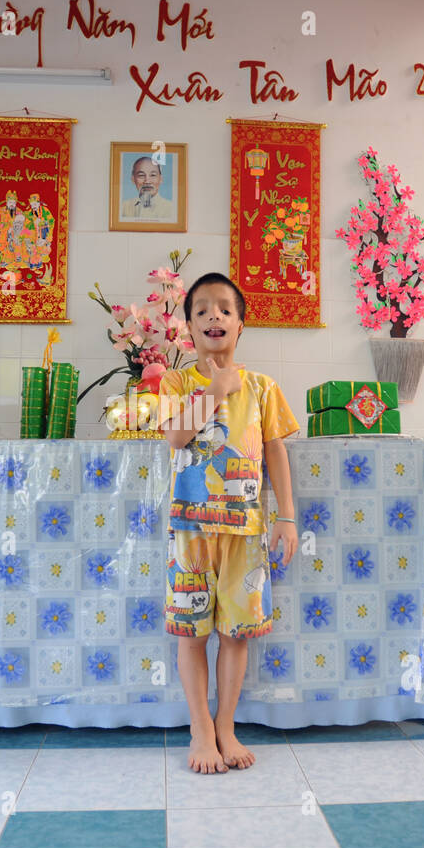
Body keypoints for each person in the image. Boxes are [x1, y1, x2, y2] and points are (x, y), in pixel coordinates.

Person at [157, 272, 299, 774]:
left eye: (224, 309)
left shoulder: (263, 387)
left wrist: (286, 516)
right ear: (188, 329)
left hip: (246, 532)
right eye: (201, 311)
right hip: (190, 532)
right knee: (191, 633)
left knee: (236, 633)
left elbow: (277, 452)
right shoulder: (177, 382)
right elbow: (175, 437)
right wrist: (215, 390)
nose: (213, 316)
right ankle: (199, 730)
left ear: (240, 324)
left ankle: (225, 725)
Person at [119, 156, 174, 221]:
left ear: (160, 179)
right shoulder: (123, 208)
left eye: (153, 175)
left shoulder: (172, 208)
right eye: (141, 175)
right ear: (133, 179)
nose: (147, 181)